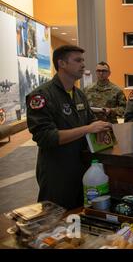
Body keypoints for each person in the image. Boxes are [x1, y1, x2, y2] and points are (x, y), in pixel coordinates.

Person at [26, 45, 112, 210]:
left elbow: (90, 121)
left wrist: (101, 129)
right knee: (56, 224)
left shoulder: (79, 94)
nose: (83, 65)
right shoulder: (41, 96)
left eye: (83, 60)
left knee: (80, 219)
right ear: (62, 64)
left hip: (82, 170)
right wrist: (88, 129)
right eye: (77, 60)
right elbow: (45, 137)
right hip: (57, 173)